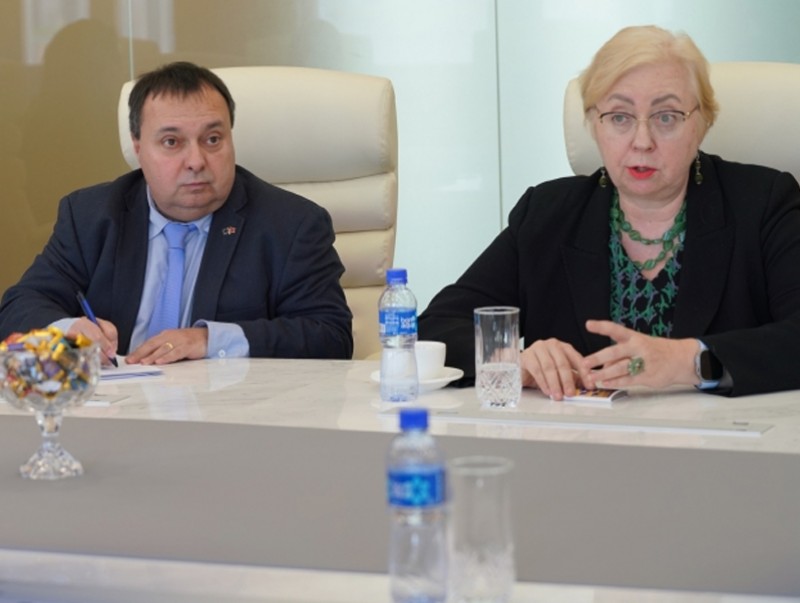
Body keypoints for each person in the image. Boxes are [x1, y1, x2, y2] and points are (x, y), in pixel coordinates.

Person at [418, 25, 800, 398]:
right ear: (593, 125)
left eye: (666, 117)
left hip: (724, 436)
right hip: (577, 437)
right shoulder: (546, 215)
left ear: (701, 123)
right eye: (619, 117)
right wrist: (512, 359)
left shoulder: (765, 203)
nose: (642, 141)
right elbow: (434, 328)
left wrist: (690, 360)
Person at [0, 61, 353, 364]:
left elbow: (330, 336)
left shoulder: (291, 225)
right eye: (172, 142)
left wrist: (210, 341)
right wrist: (66, 330)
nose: (196, 161)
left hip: (228, 412)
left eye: (212, 139)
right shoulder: (91, 216)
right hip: (115, 409)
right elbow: (21, 304)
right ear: (138, 148)